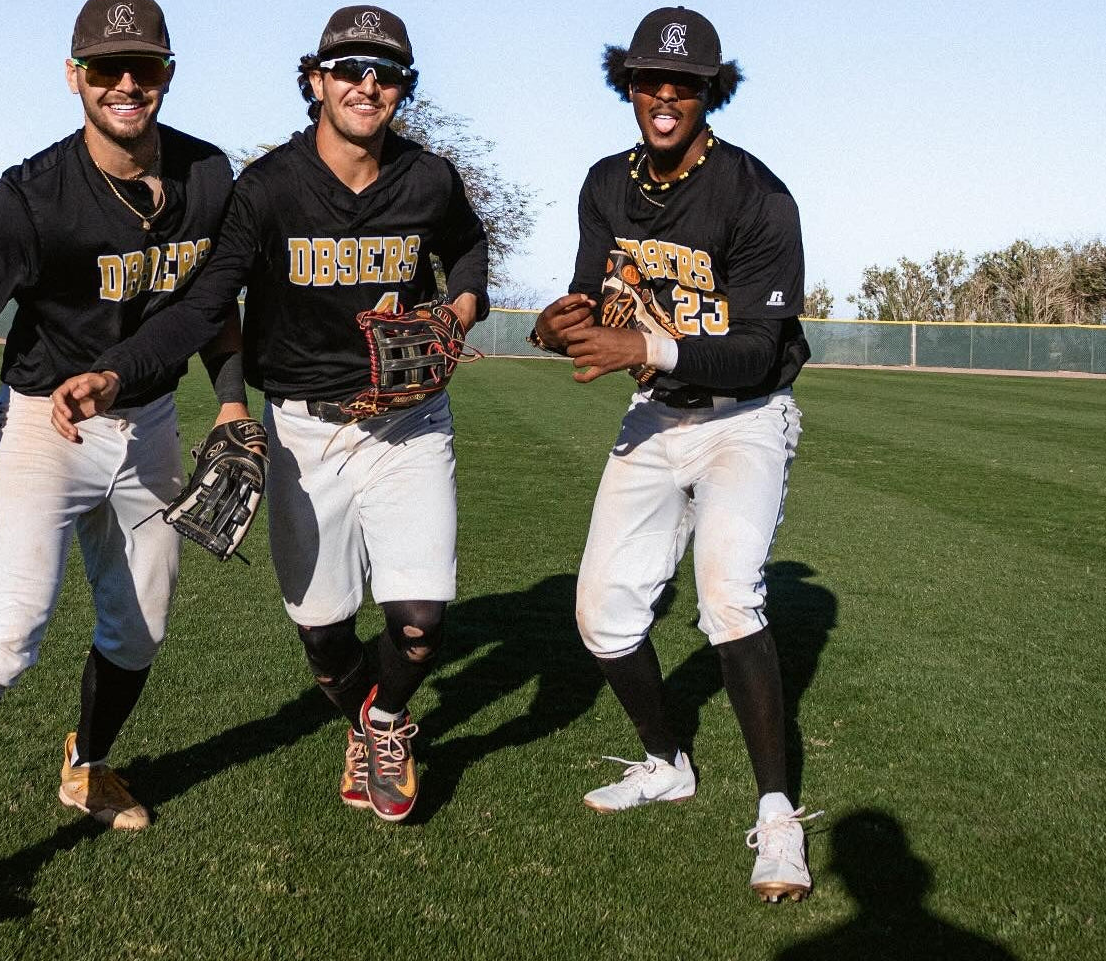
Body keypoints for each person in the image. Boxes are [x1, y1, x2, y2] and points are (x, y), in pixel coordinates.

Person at [51, 5, 488, 824]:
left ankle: (385, 725)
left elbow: (466, 245)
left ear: (403, 90)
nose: (367, 85)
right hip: (302, 431)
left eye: (386, 74)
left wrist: (459, 307)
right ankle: (363, 718)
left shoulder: (431, 177)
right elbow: (202, 307)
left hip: (408, 424)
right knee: (325, 635)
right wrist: (119, 372)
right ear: (316, 82)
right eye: (350, 69)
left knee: (421, 624)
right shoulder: (267, 188)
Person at [0, 0, 246, 931]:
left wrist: (232, 399)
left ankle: (87, 765)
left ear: (168, 72)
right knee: (5, 634)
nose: (127, 84)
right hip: (46, 424)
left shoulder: (207, 173)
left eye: (144, 67)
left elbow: (214, 310)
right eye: (107, 66)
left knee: (141, 628)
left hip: (149, 421)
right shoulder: (29, 196)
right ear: (73, 73)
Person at [533, 6, 820, 901]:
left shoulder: (756, 193)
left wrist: (648, 350)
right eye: (649, 80)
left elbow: (764, 346)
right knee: (602, 614)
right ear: (628, 84)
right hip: (658, 415)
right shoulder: (602, 184)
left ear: (709, 92)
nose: (665, 96)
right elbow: (592, 297)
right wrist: (558, 325)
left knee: (729, 595)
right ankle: (667, 761)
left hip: (746, 414)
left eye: (685, 84)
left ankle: (777, 819)